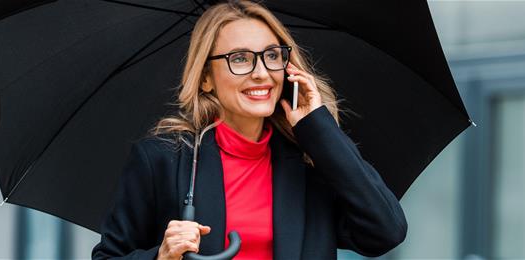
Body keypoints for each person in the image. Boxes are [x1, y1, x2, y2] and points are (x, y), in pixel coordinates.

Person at [92, 1, 406, 259]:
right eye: (239, 59)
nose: (261, 73)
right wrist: (160, 256)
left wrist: (318, 126)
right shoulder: (163, 159)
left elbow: (385, 231)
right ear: (206, 79)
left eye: (271, 56)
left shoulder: (310, 161)